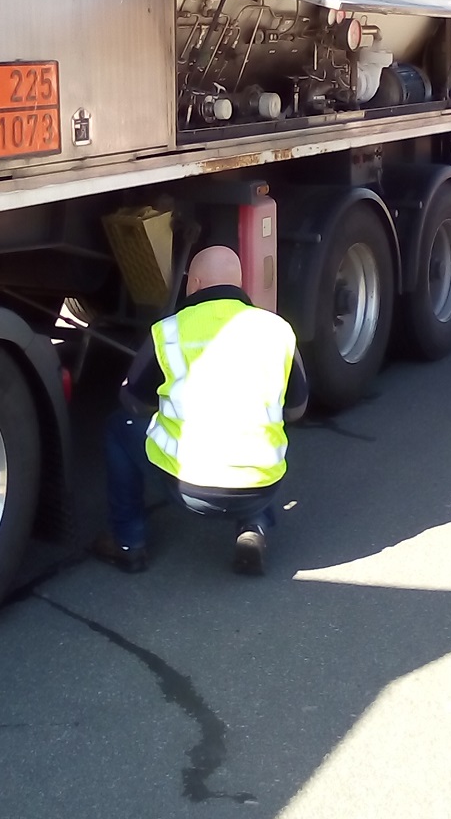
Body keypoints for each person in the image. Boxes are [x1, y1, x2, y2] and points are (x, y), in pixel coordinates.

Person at [91, 245, 308, 575]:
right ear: (240, 283)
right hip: (262, 487)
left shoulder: (168, 331)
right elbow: (296, 410)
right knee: (258, 426)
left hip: (188, 489)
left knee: (119, 427)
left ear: (194, 282)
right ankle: (253, 526)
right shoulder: (277, 329)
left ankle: (127, 543)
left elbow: (133, 401)